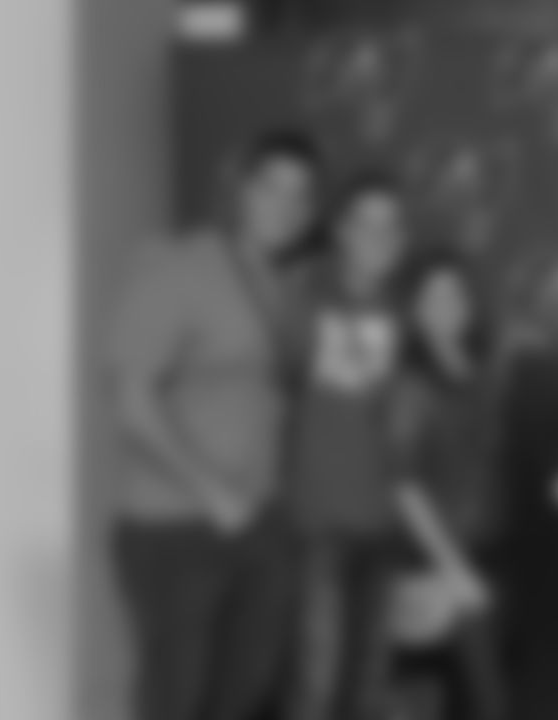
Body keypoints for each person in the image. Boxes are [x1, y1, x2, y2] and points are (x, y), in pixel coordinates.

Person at [106, 129, 321, 720]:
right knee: (176, 701)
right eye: (271, 187)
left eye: (301, 195)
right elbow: (129, 400)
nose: (285, 205)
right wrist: (211, 490)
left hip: (259, 524)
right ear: (241, 191)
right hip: (175, 529)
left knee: (243, 696)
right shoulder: (178, 266)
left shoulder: (282, 287)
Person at [285, 172, 488, 720]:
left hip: (386, 531)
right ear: (340, 230)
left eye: (392, 226)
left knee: (365, 691)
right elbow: (274, 390)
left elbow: (444, 398)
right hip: (318, 525)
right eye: (366, 224)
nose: (379, 237)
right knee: (316, 688)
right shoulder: (303, 295)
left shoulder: (406, 312)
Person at [385, 250, 509, 720]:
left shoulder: (484, 373)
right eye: (433, 296)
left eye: (455, 293)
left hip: (494, 552)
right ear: (413, 310)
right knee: (487, 702)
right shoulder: (410, 386)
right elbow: (403, 487)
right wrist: (453, 570)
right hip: (440, 562)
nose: (447, 305)